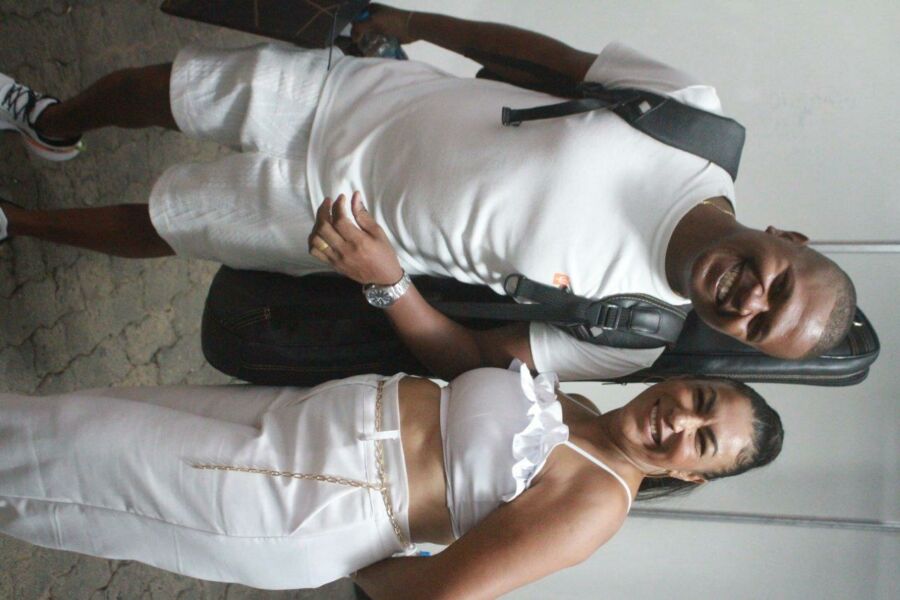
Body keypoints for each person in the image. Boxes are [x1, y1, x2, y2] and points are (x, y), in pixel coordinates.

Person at [0, 4, 855, 381]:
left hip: (328, 224)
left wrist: (387, 283)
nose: (750, 300)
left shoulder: (629, 333)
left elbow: (471, 360)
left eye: (758, 326)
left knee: (164, 224)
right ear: (791, 237)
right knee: (162, 89)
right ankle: (51, 122)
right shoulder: (694, 121)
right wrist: (415, 24)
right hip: (355, 96)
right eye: (779, 284)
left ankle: (18, 222)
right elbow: (549, 59)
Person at [0, 359, 784, 594]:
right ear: (686, 380)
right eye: (700, 401)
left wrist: (345, 548)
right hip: (306, 418)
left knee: (62, 453)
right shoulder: (577, 406)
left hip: (310, 492)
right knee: (76, 424)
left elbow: (441, 594)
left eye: (702, 442)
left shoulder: (596, 506)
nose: (680, 421)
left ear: (694, 475)